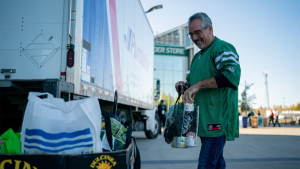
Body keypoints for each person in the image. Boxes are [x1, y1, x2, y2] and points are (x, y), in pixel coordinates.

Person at [175, 12, 241, 169]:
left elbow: (230, 76)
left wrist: (197, 85)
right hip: (203, 122)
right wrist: (184, 86)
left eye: (197, 32)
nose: (194, 38)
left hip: (217, 121)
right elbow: (192, 84)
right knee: (217, 163)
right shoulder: (197, 58)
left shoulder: (222, 48)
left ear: (210, 29)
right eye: (191, 34)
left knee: (205, 165)